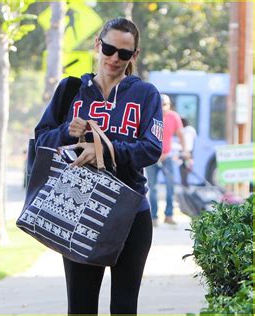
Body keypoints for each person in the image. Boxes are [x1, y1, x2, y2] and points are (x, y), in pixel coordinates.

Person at [34, 17, 162, 314]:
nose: (115, 58)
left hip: (131, 212)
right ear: (97, 45)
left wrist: (103, 149)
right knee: (80, 307)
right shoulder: (71, 90)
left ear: (134, 56)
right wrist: (67, 132)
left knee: (124, 307)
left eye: (124, 53)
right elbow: (41, 139)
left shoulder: (145, 94)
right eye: (109, 49)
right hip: (78, 210)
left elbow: (152, 149)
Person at [145, 94, 188, 226]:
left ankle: (169, 215)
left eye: (166, 105)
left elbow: (181, 134)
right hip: (152, 157)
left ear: (169, 105)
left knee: (171, 186)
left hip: (167, 157)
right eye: (161, 104)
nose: (163, 108)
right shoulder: (150, 115)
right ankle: (154, 217)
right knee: (153, 188)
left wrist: (185, 150)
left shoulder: (174, 117)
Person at [179, 118, 197, 186]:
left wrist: (185, 152)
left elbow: (184, 143)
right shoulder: (191, 130)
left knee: (183, 172)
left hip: (185, 152)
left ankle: (185, 185)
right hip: (190, 153)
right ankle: (186, 184)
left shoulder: (184, 131)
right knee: (187, 170)